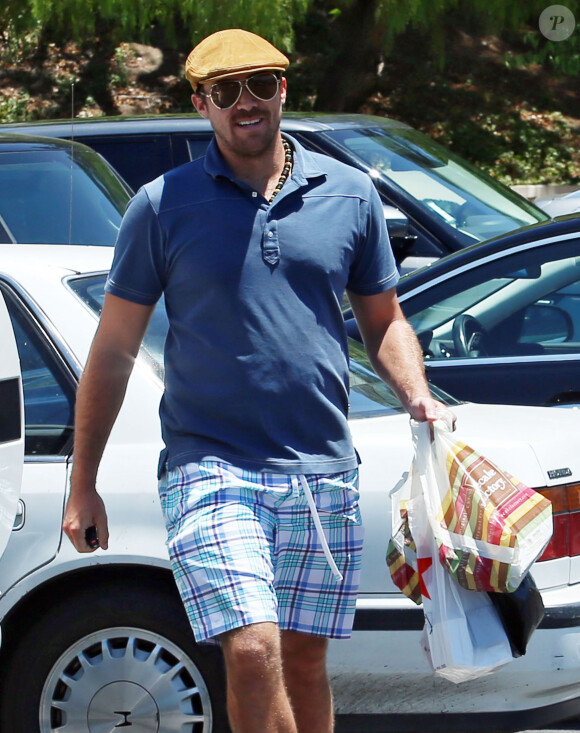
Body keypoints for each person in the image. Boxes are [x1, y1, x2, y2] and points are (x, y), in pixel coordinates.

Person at [63, 28, 452, 733]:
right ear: (201, 104)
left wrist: (416, 394)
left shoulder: (350, 195)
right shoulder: (162, 205)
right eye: (226, 91)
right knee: (250, 648)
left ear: (283, 88)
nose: (247, 102)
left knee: (302, 661)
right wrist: (81, 480)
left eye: (261, 85)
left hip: (321, 468)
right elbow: (114, 349)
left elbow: (385, 321)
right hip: (208, 465)